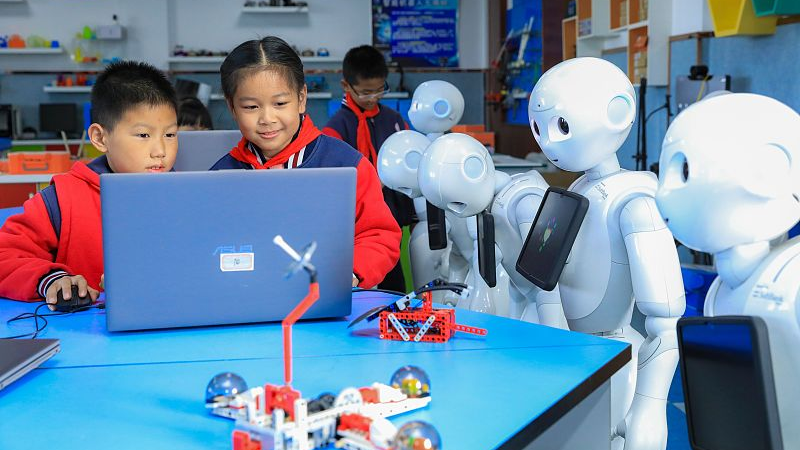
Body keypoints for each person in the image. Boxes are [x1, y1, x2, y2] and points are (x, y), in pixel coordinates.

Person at [210, 36, 400, 288]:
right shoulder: (220, 176)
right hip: (245, 301)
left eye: (280, 103)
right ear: (232, 107)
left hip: (327, 303)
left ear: (301, 98)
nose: (267, 118)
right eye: (251, 106)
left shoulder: (347, 166)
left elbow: (379, 235)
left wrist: (351, 273)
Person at [0, 61, 179, 307]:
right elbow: (5, 256)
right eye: (143, 135)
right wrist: (52, 279)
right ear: (100, 138)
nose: (160, 151)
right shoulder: (60, 200)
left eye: (170, 134)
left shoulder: (187, 196)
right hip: (85, 336)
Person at [323, 44, 413, 291]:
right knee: (358, 290)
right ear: (346, 86)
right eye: (365, 92)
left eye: (379, 90)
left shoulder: (394, 121)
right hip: (355, 225)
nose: (372, 98)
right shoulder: (335, 128)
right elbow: (333, 182)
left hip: (391, 219)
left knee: (394, 288)